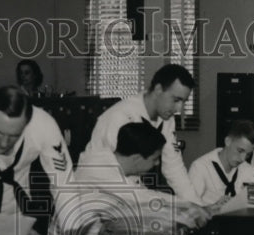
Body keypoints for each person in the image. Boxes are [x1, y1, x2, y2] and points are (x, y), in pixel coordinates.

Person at [54, 122, 207, 235]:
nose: (157, 163)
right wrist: (188, 205)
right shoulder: (99, 169)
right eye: (155, 159)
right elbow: (142, 198)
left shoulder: (118, 167)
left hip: (93, 234)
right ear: (136, 158)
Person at [86, 63, 204, 207]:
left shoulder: (166, 119)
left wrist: (196, 205)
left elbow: (174, 167)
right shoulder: (118, 118)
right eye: (176, 100)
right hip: (99, 198)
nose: (179, 108)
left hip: (132, 194)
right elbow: (105, 175)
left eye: (184, 102)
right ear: (158, 89)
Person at [0, 86, 68, 235]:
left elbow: (65, 184)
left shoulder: (43, 125)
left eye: (14, 136)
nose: (3, 143)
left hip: (17, 215)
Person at [188, 120, 254, 206]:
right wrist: (213, 207)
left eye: (248, 154)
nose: (243, 159)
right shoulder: (200, 167)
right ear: (228, 141)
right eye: (240, 151)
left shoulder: (248, 170)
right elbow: (188, 208)